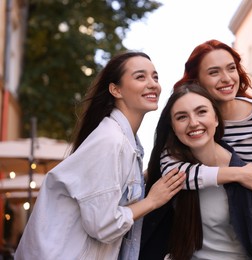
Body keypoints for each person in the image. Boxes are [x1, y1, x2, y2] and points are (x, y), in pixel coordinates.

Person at [14, 51, 185, 260]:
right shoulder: (110, 140)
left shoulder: (124, 143)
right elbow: (103, 225)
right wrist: (152, 200)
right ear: (116, 89)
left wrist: (150, 175)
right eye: (141, 77)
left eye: (155, 77)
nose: (153, 84)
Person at [140, 83, 252, 260]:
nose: (193, 123)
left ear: (216, 119)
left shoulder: (246, 175)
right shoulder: (171, 168)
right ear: (173, 127)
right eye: (181, 117)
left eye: (201, 112)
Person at [161, 39, 252, 223]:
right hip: (217, 229)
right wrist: (237, 174)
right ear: (197, 81)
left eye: (231, 68)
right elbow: (172, 173)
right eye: (214, 72)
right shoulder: (195, 127)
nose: (227, 78)